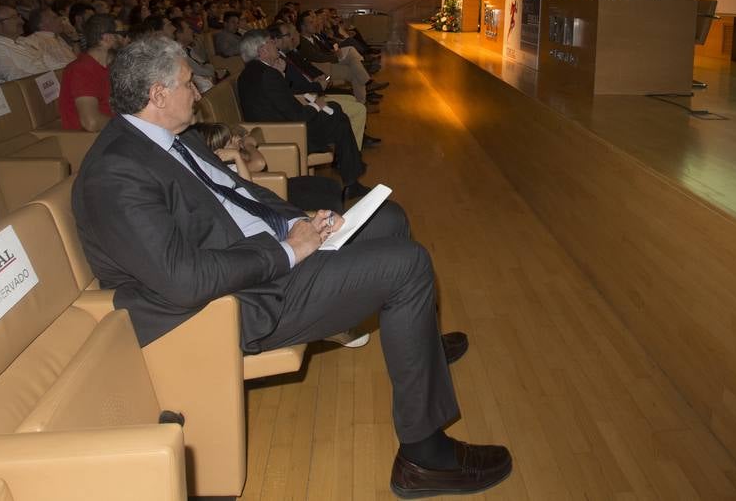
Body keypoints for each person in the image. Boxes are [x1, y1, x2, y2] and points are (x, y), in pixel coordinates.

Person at [71, 36, 511, 497]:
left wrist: (298, 221)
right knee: (408, 266)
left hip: (260, 258)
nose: (198, 92)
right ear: (157, 95)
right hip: (227, 304)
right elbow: (184, 281)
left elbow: (242, 195)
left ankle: (417, 343)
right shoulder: (115, 174)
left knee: (388, 218)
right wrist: (288, 251)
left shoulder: (169, 139)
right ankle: (425, 458)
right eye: (187, 84)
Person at [238, 29, 370, 201]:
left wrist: (281, 74)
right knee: (337, 115)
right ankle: (352, 176)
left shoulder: (250, 73)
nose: (275, 45)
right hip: (288, 133)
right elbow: (296, 115)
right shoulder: (267, 74)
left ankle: (351, 173)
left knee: (337, 114)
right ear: (262, 50)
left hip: (276, 128)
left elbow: (279, 102)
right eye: (271, 42)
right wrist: (316, 105)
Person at [192, 121, 344, 215]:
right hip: (274, 194)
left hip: (275, 188)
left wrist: (241, 147)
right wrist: (247, 147)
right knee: (329, 202)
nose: (236, 139)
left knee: (331, 185)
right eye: (230, 141)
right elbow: (259, 164)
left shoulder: (234, 158)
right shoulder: (227, 168)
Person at [59, 14, 123, 131]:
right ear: (107, 38)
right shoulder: (81, 70)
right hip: (89, 142)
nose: (126, 39)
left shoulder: (109, 68)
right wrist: (128, 127)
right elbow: (91, 122)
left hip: (110, 136)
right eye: (122, 34)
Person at [0, 5, 50, 80]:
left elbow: (49, 61)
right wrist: (50, 79)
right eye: (14, 17)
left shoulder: (23, 40)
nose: (22, 21)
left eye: (19, 16)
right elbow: (13, 75)